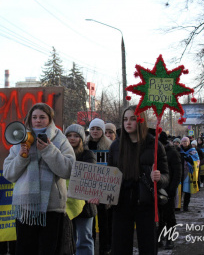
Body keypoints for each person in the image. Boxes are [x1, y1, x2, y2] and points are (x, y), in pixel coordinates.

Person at [3, 103, 75, 255]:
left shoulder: (60, 139)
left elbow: (68, 170)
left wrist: (49, 150)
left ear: (50, 119)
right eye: (34, 117)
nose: (38, 120)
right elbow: (9, 174)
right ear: (29, 119)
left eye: (42, 117)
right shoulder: (20, 140)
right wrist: (21, 157)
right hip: (25, 209)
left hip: (52, 208)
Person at [107, 105, 169, 255]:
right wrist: (101, 194)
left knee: (148, 247)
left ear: (141, 121)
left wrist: (159, 177)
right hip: (121, 204)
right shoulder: (116, 146)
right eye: (125, 119)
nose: (128, 123)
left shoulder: (155, 145)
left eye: (133, 119)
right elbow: (108, 176)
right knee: (120, 247)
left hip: (146, 204)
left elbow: (166, 176)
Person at [65, 124, 97, 255]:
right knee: (68, 239)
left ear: (82, 139)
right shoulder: (61, 154)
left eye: (76, 136)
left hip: (85, 204)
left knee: (84, 239)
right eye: (69, 135)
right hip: (67, 204)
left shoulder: (88, 154)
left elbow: (91, 175)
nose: (72, 139)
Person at [84, 118, 112, 255]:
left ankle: (105, 248)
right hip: (87, 190)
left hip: (103, 190)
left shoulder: (110, 147)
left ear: (102, 131)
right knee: (89, 221)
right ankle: (91, 247)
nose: (95, 131)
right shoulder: (83, 145)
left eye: (98, 129)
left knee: (104, 221)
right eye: (93, 129)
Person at [157, 132, 181, 250]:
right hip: (156, 189)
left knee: (169, 216)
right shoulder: (153, 151)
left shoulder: (172, 152)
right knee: (158, 216)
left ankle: (170, 239)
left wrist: (172, 189)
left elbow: (177, 173)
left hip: (168, 190)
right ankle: (159, 238)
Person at [180, 137, 199, 212]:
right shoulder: (178, 150)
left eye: (186, 141)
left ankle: (185, 206)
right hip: (180, 172)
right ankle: (178, 206)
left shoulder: (193, 151)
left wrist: (189, 159)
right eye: (183, 141)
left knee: (187, 191)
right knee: (179, 190)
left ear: (189, 142)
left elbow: (196, 160)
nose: (184, 143)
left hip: (188, 173)